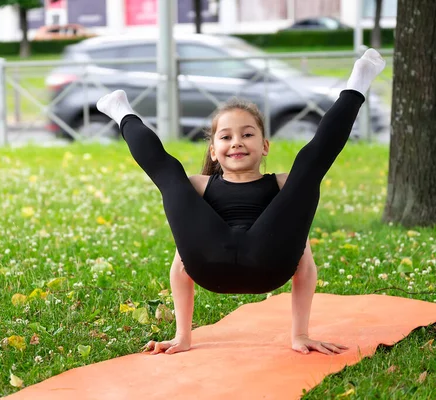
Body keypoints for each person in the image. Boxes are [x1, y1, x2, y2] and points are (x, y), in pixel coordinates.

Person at [96, 49, 386, 356]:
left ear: (264, 147)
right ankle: (122, 112)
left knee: (309, 168)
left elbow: (304, 263)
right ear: (212, 151)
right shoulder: (197, 187)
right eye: (225, 137)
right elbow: (181, 264)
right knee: (170, 176)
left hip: (269, 262)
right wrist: (183, 336)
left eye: (247, 134)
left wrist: (300, 334)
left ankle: (357, 85)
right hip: (209, 263)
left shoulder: (284, 186)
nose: (236, 141)